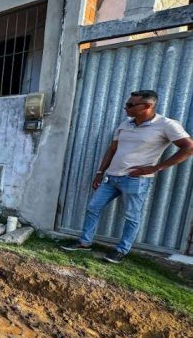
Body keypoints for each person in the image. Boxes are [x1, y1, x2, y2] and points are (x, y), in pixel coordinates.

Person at [61, 90, 193, 263]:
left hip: (135, 180)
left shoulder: (166, 125)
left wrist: (156, 167)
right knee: (93, 207)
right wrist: (100, 172)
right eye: (126, 104)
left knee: (131, 216)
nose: (126, 108)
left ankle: (121, 250)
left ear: (147, 106)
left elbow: (188, 148)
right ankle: (84, 242)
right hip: (111, 177)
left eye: (131, 105)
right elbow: (112, 149)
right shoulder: (125, 123)